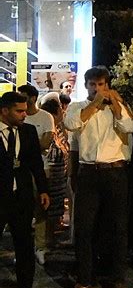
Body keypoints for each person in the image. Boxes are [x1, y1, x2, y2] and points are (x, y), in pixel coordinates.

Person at [63, 66, 133, 288]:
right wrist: (94, 104)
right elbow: (72, 125)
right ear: (86, 86)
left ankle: (118, 282)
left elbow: (129, 126)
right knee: (84, 229)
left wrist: (115, 104)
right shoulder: (77, 107)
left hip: (115, 172)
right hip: (89, 173)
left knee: (118, 228)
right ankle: (84, 282)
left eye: (101, 85)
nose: (97, 89)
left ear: (108, 85)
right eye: (93, 85)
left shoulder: (120, 106)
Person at [0, 92, 49, 288]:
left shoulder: (28, 132)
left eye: (24, 110)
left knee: (24, 243)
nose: (24, 115)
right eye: (19, 111)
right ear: (4, 111)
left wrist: (43, 190)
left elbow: (36, 164)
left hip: (21, 196)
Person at [17, 84, 55, 265]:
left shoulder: (45, 117)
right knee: (20, 210)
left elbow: (46, 142)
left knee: (41, 208)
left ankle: (40, 247)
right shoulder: (18, 120)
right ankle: (21, 247)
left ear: (33, 98)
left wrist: (25, 147)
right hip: (20, 171)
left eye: (24, 97)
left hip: (41, 167)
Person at [40, 98, 70, 244]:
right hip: (52, 173)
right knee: (50, 208)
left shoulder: (58, 128)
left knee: (56, 206)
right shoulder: (50, 130)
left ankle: (51, 237)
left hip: (59, 174)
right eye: (60, 110)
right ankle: (47, 239)